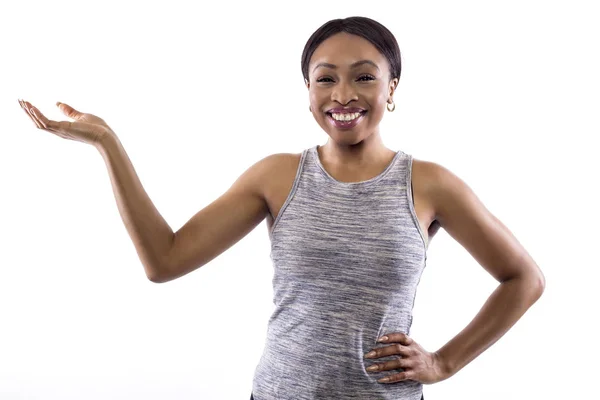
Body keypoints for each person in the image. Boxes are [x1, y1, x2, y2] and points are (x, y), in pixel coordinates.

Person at [19, 15, 545, 400]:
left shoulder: (430, 184)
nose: (343, 93)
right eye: (325, 77)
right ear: (308, 90)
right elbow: (164, 259)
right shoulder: (278, 175)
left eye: (364, 76)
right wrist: (108, 143)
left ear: (392, 89)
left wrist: (444, 362)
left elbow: (524, 279)